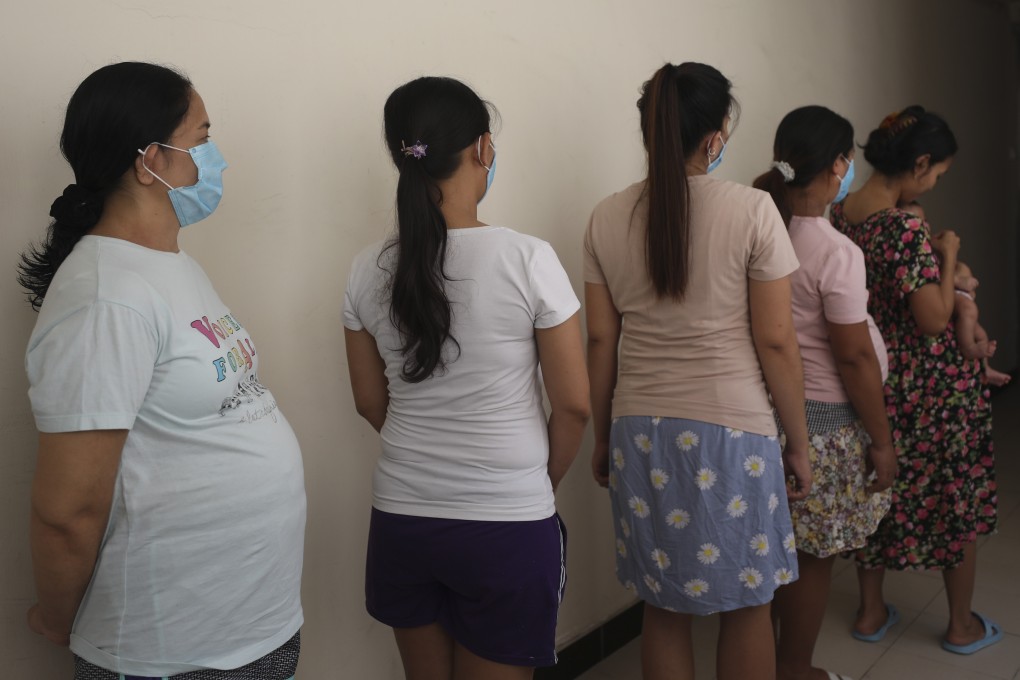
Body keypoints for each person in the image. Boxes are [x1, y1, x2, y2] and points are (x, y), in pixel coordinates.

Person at [19, 62, 306, 679]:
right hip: (169, 652)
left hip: (252, 625)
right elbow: (67, 511)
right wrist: (60, 617)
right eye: (202, 139)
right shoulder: (103, 297)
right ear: (151, 161)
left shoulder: (169, 266)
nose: (215, 156)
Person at [343, 76, 589, 680]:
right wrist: (538, 476)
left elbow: (369, 401)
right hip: (504, 524)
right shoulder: (527, 259)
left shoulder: (363, 270)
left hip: (402, 518)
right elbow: (575, 405)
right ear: (482, 149)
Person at [584, 62, 811, 680]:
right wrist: (798, 442)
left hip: (640, 433)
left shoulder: (606, 216)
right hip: (734, 434)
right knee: (748, 607)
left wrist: (603, 435)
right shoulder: (754, 209)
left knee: (663, 607)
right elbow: (777, 340)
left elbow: (602, 337)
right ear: (715, 137)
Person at [831, 106, 1000, 655]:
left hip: (872, 378)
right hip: (931, 384)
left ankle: (870, 610)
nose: (933, 183)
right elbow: (930, 318)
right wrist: (947, 255)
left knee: (881, 489)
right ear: (920, 162)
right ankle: (959, 625)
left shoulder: (842, 216)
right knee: (957, 496)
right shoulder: (902, 226)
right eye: (937, 173)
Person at [753, 106, 897, 680]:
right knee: (812, 557)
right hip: (826, 425)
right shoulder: (836, 251)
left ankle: (760, 664)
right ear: (839, 165)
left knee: (769, 550)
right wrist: (882, 441)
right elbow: (854, 355)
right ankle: (794, 668)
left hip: (772, 415)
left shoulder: (762, 231)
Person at [900, 201, 1011, 387]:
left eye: (924, 222)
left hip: (954, 299)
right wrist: (959, 281)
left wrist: (954, 264)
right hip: (944, 304)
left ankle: (986, 369)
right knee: (969, 314)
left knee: (982, 335)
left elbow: (949, 268)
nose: (922, 228)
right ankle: (968, 349)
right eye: (914, 224)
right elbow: (934, 279)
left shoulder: (932, 248)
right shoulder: (910, 256)